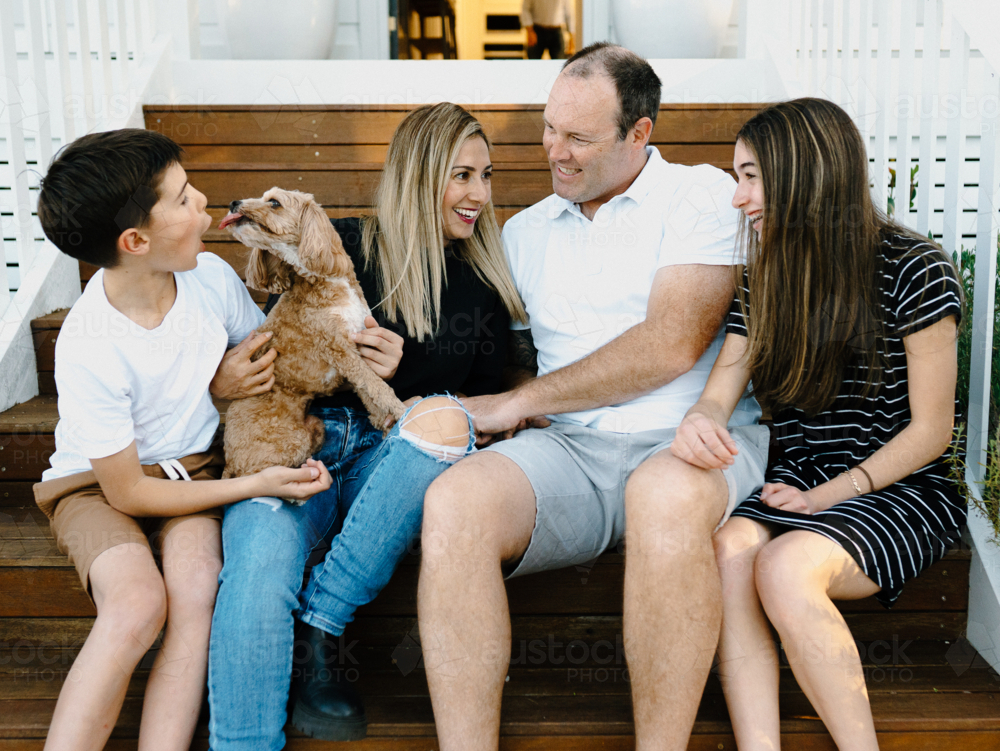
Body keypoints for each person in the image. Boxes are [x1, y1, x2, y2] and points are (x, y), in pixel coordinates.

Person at [418, 43, 770, 750]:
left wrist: (523, 400)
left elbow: (672, 341)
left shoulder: (700, 196)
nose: (556, 152)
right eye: (550, 128)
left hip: (688, 440)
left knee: (664, 499)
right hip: (569, 451)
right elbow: (506, 362)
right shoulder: (523, 233)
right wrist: (514, 395)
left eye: (579, 137)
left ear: (639, 133)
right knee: (454, 503)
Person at [206, 102, 528, 748]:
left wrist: (407, 371)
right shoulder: (341, 242)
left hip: (388, 462)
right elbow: (281, 349)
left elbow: (488, 404)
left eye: (486, 176)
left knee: (442, 419)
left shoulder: (480, 286)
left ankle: (320, 623)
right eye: (461, 175)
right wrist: (222, 382)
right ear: (419, 174)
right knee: (259, 565)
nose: (479, 196)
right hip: (294, 437)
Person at [671, 98, 965, 750]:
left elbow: (931, 433)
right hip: (795, 480)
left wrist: (826, 496)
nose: (737, 197)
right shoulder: (768, 276)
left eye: (750, 176)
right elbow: (721, 389)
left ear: (800, 174)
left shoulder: (915, 268)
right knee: (729, 551)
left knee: (782, 566)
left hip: (896, 487)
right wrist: (701, 418)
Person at [31, 129, 332, 751]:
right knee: (138, 604)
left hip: (195, 469)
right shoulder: (89, 344)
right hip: (98, 486)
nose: (205, 204)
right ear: (135, 241)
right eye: (184, 197)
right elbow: (129, 492)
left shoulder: (211, 279)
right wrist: (254, 482)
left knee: (195, 589)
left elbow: (263, 359)